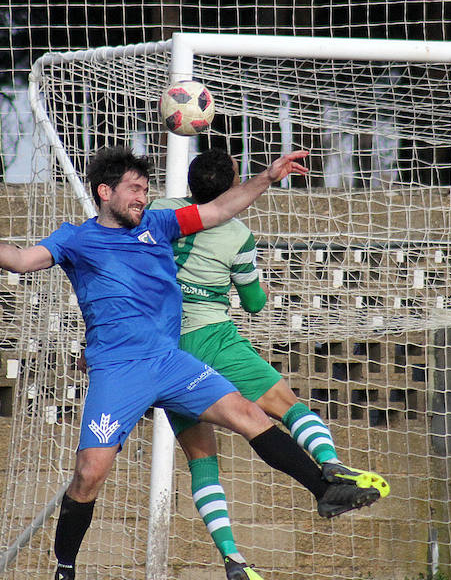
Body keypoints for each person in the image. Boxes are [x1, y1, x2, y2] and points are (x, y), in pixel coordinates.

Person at [0, 145, 381, 580]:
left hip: (171, 362)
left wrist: (267, 178)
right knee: (89, 474)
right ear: (105, 192)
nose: (144, 197)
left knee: (249, 413)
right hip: (119, 372)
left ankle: (325, 491)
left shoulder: (159, 224)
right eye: (135, 190)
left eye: (146, 189)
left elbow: (217, 210)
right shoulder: (75, 238)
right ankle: (65, 568)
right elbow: (24, 260)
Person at [147, 148, 390, 580]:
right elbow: (255, 303)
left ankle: (232, 558)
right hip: (212, 338)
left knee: (202, 459)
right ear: (233, 187)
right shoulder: (235, 233)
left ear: (190, 181)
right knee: (286, 403)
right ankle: (330, 463)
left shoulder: (158, 210)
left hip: (166, 352)